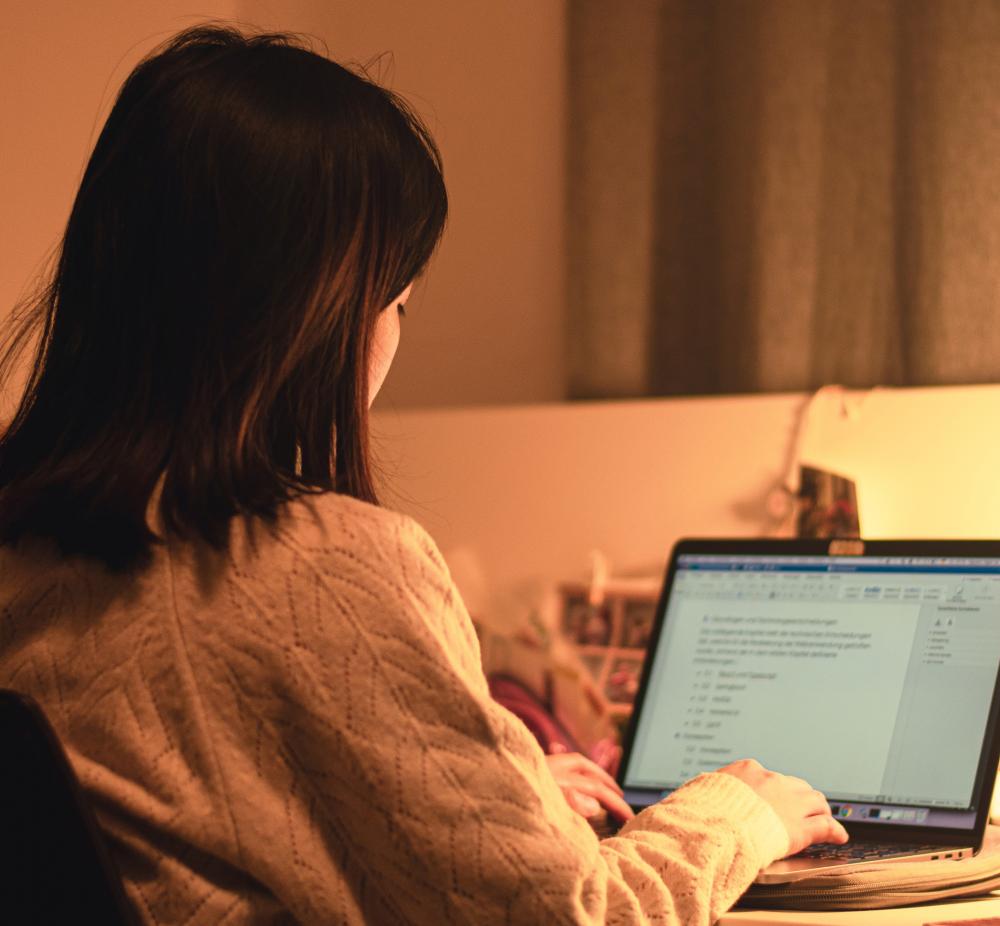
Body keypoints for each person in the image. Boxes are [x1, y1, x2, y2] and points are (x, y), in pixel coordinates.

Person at [0, 25, 847, 925]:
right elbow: (574, 918)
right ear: (318, 310)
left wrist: (497, 795)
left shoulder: (30, 553)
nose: (396, 330)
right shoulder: (318, 570)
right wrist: (737, 815)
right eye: (398, 299)